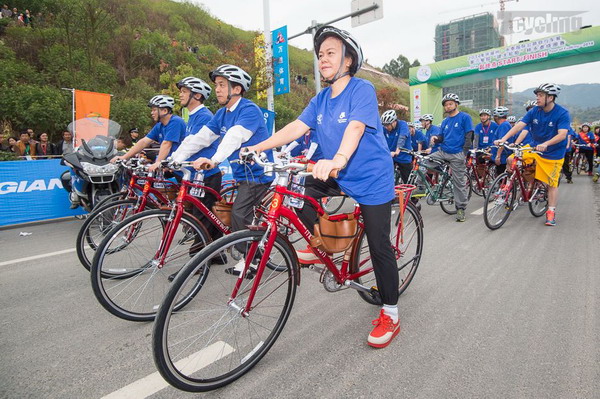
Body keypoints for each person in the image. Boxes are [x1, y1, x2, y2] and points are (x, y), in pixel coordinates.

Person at [245, 26, 400, 348]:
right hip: (336, 173)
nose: (323, 59)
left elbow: (356, 127)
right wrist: (259, 147)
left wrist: (339, 158)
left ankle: (390, 312)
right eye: (320, 55)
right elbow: (296, 127)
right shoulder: (320, 99)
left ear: (348, 60)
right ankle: (323, 246)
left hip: (370, 176)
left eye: (330, 53)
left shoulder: (362, 89)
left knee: (380, 245)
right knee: (300, 197)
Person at [172, 64, 274, 246]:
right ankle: (232, 247)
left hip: (258, 174)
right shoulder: (221, 113)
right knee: (230, 212)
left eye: (221, 85)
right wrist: (174, 160)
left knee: (240, 214)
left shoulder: (249, 109)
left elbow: (235, 135)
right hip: (242, 174)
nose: (217, 90)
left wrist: (214, 160)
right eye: (216, 85)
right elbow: (201, 138)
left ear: (236, 89)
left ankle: (251, 260)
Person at [495, 83, 569, 226]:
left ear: (551, 97)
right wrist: (503, 139)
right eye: (537, 95)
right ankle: (511, 186)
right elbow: (520, 125)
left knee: (551, 184)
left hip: (553, 153)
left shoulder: (562, 113)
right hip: (534, 148)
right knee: (511, 159)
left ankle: (551, 212)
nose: (537, 98)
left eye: (541, 95)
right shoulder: (534, 111)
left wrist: (547, 144)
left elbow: (562, 135)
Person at [172, 76, 222, 239]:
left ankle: (202, 259)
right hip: (196, 175)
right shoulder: (193, 116)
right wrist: (173, 158)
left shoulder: (205, 116)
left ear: (197, 95)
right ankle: (215, 254)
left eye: (184, 91)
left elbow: (195, 142)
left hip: (206, 175)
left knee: (202, 220)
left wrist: (175, 160)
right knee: (204, 218)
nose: (180, 95)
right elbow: (187, 142)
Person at [429, 93, 473, 222]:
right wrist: (435, 138)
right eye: (446, 105)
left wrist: (464, 153)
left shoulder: (465, 117)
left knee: (459, 183)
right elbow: (441, 137)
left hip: (457, 153)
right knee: (424, 162)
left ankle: (460, 208)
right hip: (443, 152)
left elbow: (469, 135)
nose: (447, 106)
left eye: (450, 104)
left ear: (456, 104)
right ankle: (425, 187)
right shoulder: (445, 121)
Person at [112, 95, 185, 171]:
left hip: (180, 168)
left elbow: (166, 144)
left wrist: (158, 163)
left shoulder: (176, 122)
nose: (152, 113)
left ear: (165, 111)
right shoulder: (159, 125)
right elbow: (144, 142)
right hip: (168, 165)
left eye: (154, 110)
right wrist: (124, 157)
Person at [381, 109, 412, 184]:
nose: (386, 127)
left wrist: (397, 150)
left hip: (403, 155)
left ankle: (411, 194)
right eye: (384, 125)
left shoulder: (402, 124)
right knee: (385, 175)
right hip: (391, 155)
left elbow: (402, 137)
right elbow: (380, 139)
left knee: (407, 180)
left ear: (394, 121)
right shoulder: (384, 129)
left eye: (388, 125)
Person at [491, 106, 514, 175]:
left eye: (494, 116)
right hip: (502, 156)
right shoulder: (503, 125)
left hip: (503, 157)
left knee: (502, 179)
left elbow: (502, 143)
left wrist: (498, 156)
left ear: (497, 117)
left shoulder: (504, 126)